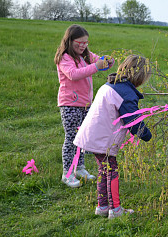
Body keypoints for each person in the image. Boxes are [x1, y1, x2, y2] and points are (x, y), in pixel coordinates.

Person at [73, 55, 152, 219]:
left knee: (104, 171)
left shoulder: (112, 84)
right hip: (103, 140)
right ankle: (115, 210)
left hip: (93, 136)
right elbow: (133, 120)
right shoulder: (126, 94)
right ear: (139, 77)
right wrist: (146, 134)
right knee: (111, 171)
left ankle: (102, 207)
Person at [54, 24, 115, 188]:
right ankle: (67, 174)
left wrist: (107, 62)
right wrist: (96, 67)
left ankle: (79, 167)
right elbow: (73, 75)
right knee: (71, 139)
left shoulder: (85, 55)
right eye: (79, 43)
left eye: (85, 42)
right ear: (69, 41)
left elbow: (98, 61)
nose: (83, 46)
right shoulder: (65, 57)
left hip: (85, 104)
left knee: (82, 137)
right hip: (70, 104)